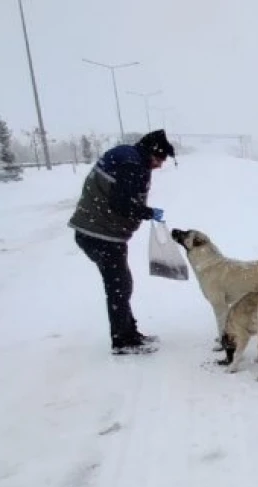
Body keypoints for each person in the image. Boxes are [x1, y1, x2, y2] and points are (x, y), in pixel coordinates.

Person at [67, 129, 176, 355]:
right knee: (119, 286)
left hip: (97, 232)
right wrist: (147, 212)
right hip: (100, 234)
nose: (159, 165)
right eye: (159, 159)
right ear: (152, 152)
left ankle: (128, 333)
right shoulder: (132, 164)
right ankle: (122, 341)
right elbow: (122, 203)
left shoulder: (129, 156)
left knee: (121, 284)